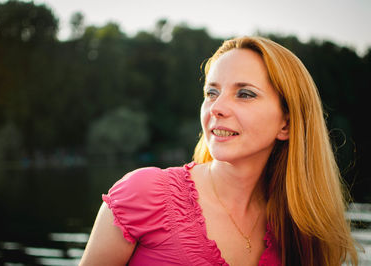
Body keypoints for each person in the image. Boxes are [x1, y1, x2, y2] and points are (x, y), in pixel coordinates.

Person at [79, 36, 359, 266]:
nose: (216, 108)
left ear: (285, 124)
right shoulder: (141, 194)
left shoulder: (301, 230)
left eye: (245, 94)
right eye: (211, 93)